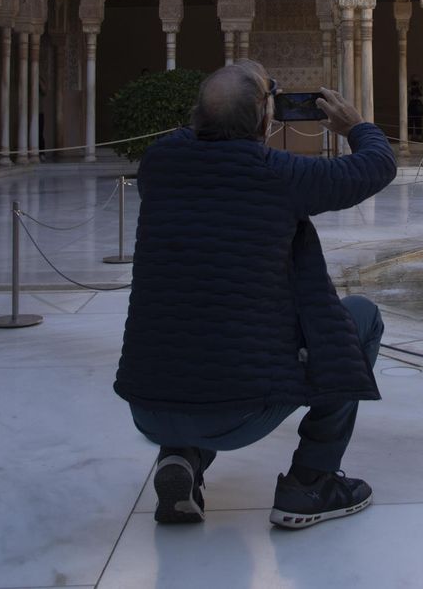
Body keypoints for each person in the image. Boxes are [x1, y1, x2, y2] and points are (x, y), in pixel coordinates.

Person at [114, 61, 397, 529]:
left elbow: (202, 153)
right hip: (238, 413)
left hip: (148, 408)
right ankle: (310, 483)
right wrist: (356, 126)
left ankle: (181, 459)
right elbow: (375, 167)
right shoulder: (279, 174)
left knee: (195, 324)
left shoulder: (158, 165)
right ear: (266, 123)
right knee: (358, 319)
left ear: (194, 117)